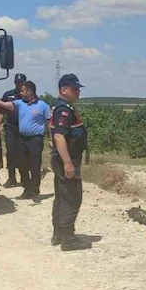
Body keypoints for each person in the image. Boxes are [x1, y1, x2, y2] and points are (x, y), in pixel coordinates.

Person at [49, 74, 91, 251]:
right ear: (63, 90)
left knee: (61, 195)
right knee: (71, 197)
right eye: (74, 89)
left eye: (78, 89)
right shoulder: (64, 110)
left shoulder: (62, 108)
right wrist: (68, 163)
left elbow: (55, 134)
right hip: (67, 160)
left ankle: (58, 233)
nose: (78, 92)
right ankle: (68, 239)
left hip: (62, 158)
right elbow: (59, 136)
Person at [0, 80, 50, 203]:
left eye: (22, 90)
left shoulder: (43, 105)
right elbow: (5, 105)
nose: (20, 92)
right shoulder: (20, 104)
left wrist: (51, 139)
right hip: (22, 139)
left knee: (34, 167)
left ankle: (35, 192)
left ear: (29, 91)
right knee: (22, 165)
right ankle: (26, 189)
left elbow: (49, 123)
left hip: (35, 140)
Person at [0, 74, 27, 188]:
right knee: (10, 151)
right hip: (11, 127)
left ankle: (24, 178)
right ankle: (11, 178)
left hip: (24, 128)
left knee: (22, 152)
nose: (19, 84)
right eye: (17, 82)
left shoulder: (28, 96)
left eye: (21, 82)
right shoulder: (8, 94)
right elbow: (1, 111)